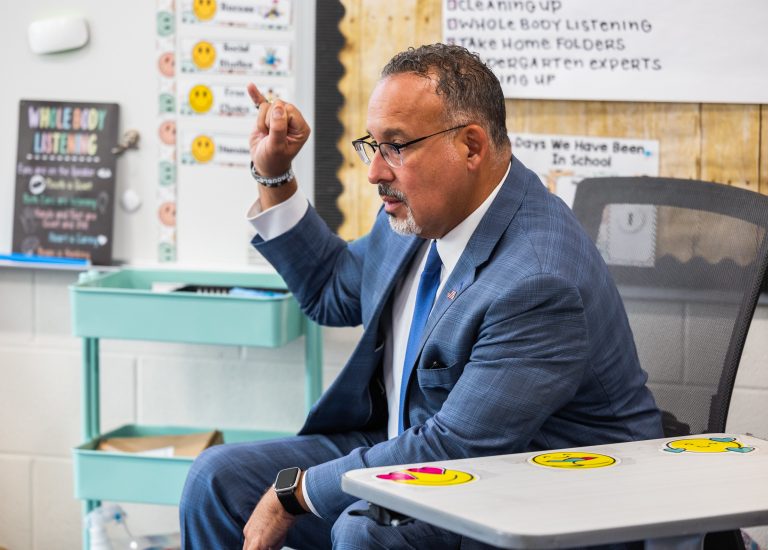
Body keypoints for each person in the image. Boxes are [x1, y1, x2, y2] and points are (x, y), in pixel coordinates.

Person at [180, 43, 663, 550]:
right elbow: (332, 289)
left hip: (537, 494)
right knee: (218, 479)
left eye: (397, 145)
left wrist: (297, 493)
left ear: (471, 147)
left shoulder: (538, 279)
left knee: (363, 532)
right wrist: (275, 175)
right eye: (374, 145)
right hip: (412, 451)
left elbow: (454, 445)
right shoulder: (417, 209)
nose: (375, 172)